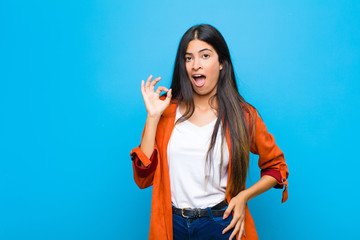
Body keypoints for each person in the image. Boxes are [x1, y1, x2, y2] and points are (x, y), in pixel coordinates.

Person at [130, 24, 289, 240]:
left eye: (205, 56)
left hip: (220, 224)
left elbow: (276, 167)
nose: (196, 65)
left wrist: (243, 197)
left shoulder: (243, 115)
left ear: (222, 63)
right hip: (172, 225)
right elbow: (144, 177)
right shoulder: (165, 110)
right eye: (188, 58)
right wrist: (152, 116)